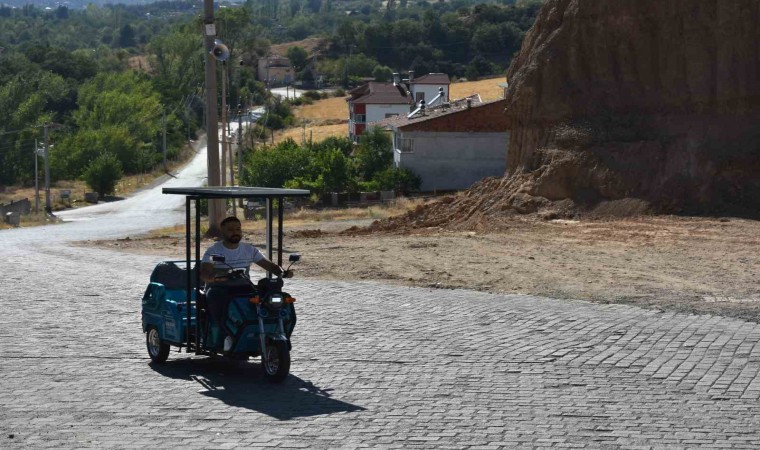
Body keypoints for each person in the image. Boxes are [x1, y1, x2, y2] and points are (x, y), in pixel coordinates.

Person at [200, 216, 292, 351]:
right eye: (230, 230)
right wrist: (215, 278)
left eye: (238, 229)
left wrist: (283, 273)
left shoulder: (249, 249)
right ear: (222, 232)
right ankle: (223, 337)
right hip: (219, 289)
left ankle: (272, 330)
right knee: (217, 301)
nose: (235, 232)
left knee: (269, 300)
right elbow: (204, 274)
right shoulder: (214, 250)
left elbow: (270, 266)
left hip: (244, 288)